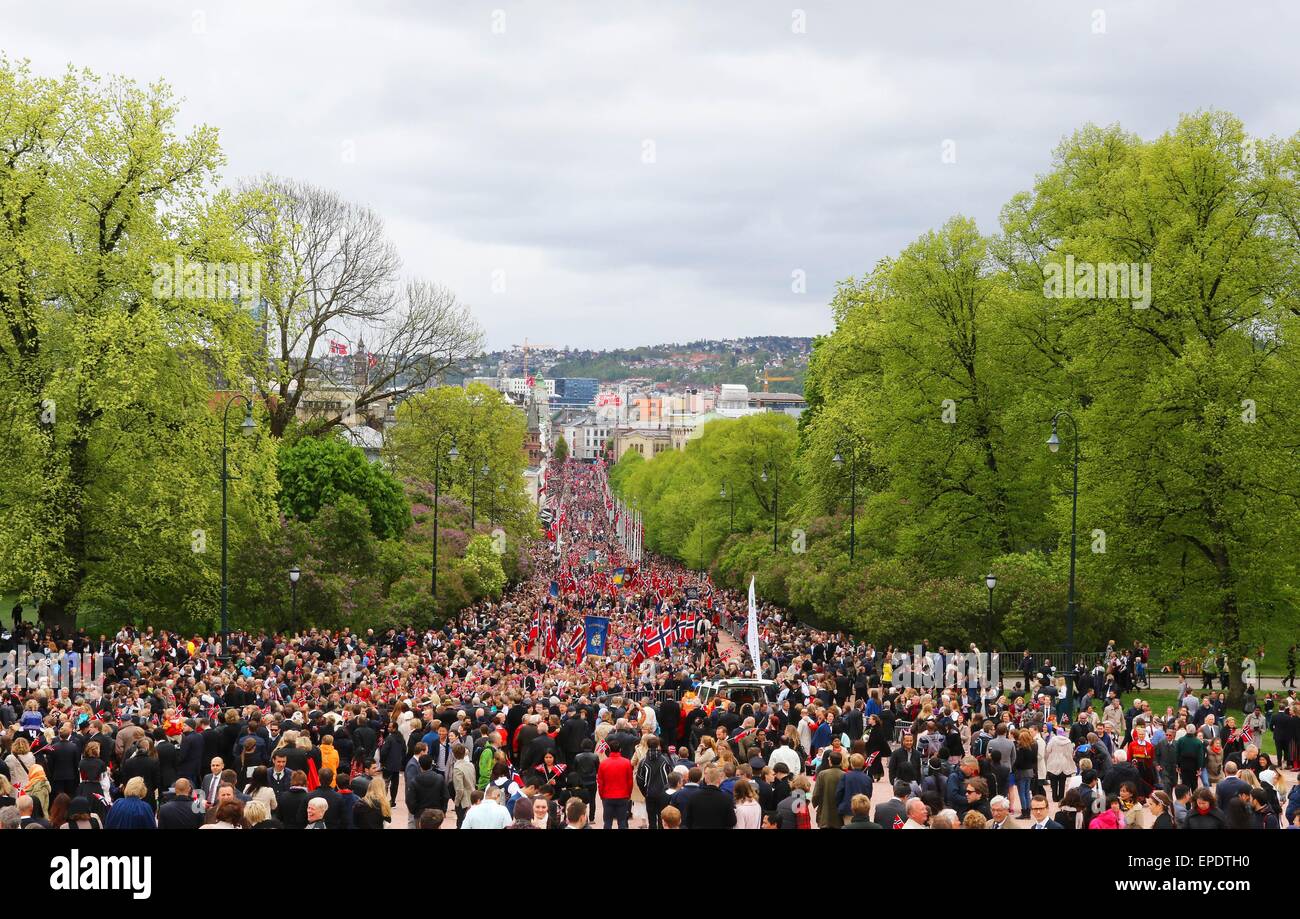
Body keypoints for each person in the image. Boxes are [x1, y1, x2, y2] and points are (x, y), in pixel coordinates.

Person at [597, 742, 633, 830]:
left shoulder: (603, 763)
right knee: (622, 822)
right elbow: (630, 781)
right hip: (623, 795)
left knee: (607, 822)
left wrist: (602, 795)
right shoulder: (627, 762)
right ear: (620, 749)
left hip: (607, 796)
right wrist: (628, 794)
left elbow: (600, 782)